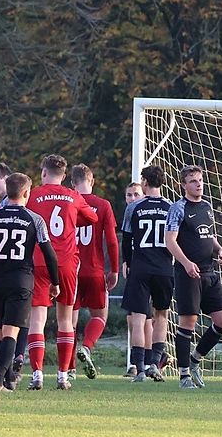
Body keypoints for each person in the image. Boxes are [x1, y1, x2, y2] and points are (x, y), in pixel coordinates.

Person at [0, 173, 60, 391]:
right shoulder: (34, 219)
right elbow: (49, 254)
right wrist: (55, 281)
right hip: (21, 280)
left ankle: (9, 379)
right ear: (26, 193)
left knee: (1, 330)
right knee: (12, 331)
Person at [25, 154, 98, 390]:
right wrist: (71, 219)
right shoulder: (72, 195)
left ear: (43, 172)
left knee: (37, 319)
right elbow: (92, 217)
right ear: (65, 176)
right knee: (65, 319)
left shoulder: (33, 194)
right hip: (65, 261)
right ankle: (63, 376)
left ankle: (37, 374)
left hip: (38, 260)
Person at [164, 165, 222, 390]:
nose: (198, 184)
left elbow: (208, 235)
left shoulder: (207, 207)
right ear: (183, 185)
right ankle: (184, 376)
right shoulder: (178, 208)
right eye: (193, 181)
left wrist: (219, 250)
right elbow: (170, 241)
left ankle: (194, 360)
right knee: (188, 323)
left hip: (209, 271)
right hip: (187, 273)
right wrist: (186, 263)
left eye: (200, 180)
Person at [120, 166, 174, 383]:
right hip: (164, 268)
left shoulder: (134, 207)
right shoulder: (171, 207)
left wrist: (127, 262)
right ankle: (155, 364)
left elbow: (126, 239)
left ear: (144, 181)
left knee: (138, 318)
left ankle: (140, 368)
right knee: (162, 316)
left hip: (140, 267)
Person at [70, 164, 120, 379]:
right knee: (100, 315)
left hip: (70, 270)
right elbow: (111, 241)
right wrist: (114, 270)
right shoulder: (103, 205)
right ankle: (87, 347)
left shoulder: (67, 202)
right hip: (94, 270)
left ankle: (68, 368)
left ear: (72, 184)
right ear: (92, 181)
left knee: (67, 321)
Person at [0, 161, 27, 385]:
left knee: (4, 324)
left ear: (6, 179)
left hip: (3, 274)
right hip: (16, 275)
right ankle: (9, 371)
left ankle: (6, 372)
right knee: (8, 322)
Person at [122, 181, 149, 377]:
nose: (132, 198)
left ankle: (147, 362)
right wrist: (126, 262)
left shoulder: (147, 213)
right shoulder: (129, 216)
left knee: (148, 318)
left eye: (136, 194)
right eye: (129, 195)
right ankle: (138, 361)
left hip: (148, 269)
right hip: (134, 270)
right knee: (133, 318)